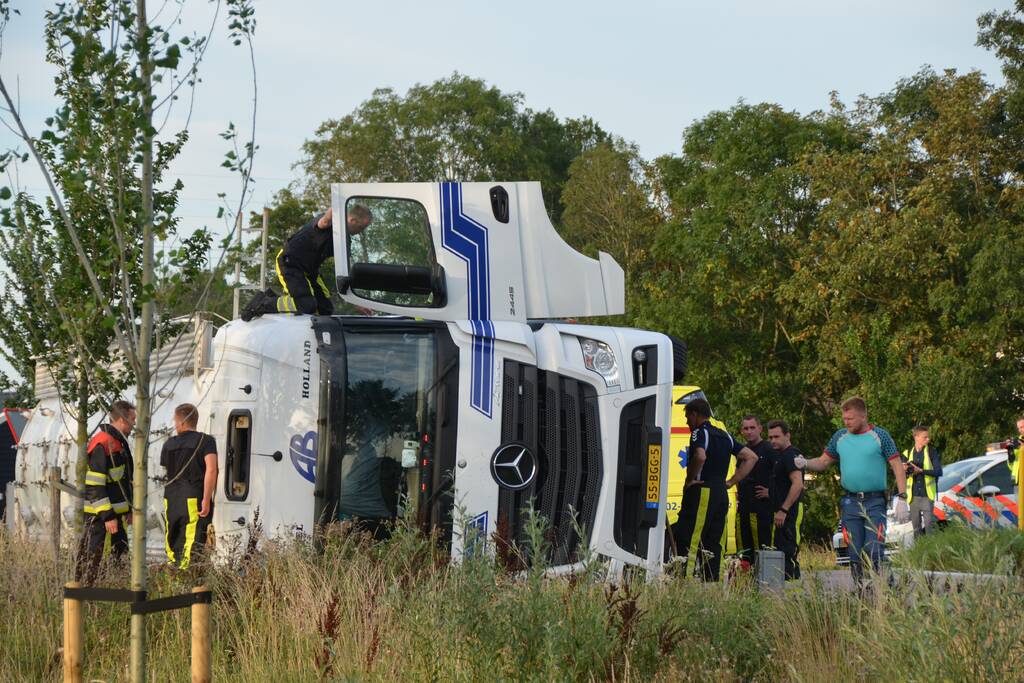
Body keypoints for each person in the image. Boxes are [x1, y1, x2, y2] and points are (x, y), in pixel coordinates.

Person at [795, 396, 908, 585]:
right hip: (850, 502)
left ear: (863, 416)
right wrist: (805, 462)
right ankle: (861, 591)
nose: (846, 422)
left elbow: (897, 465)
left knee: (874, 549)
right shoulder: (840, 437)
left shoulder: (880, 436)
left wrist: (902, 497)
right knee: (854, 552)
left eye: (850, 419)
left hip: (874, 501)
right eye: (844, 419)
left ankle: (888, 588)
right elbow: (823, 462)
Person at [671, 398, 757, 581]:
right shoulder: (725, 435)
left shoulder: (699, 432)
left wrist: (690, 479)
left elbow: (700, 456)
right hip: (721, 492)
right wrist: (731, 482)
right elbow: (751, 457)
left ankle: (683, 581)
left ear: (695, 415)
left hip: (703, 490)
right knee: (715, 540)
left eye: (688, 418)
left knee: (691, 537)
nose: (687, 423)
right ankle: (712, 582)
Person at [241, 204, 372, 320]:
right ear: (352, 220)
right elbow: (325, 221)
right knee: (306, 305)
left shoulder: (345, 241)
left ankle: (272, 297)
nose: (361, 232)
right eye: (362, 227)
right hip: (290, 263)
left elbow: (345, 271)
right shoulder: (328, 224)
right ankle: (263, 304)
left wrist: (355, 300)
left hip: (310, 271)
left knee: (325, 309)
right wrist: (337, 205)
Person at [76, 400, 136, 584]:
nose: (134, 423)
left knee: (120, 556)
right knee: (91, 559)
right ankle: (84, 593)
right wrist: (108, 515)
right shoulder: (103, 443)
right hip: (100, 517)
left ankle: (112, 590)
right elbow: (95, 485)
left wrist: (128, 509)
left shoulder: (118, 442)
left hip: (113, 515)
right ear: (122, 420)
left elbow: (121, 480)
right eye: (132, 419)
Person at [160, 403, 219, 569]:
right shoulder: (206, 441)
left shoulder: (168, 444)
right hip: (192, 496)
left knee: (172, 536)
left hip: (171, 497)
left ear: (182, 422)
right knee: (192, 539)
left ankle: (173, 573)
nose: (175, 424)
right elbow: (211, 469)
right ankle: (186, 575)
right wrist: (206, 499)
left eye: (175, 421)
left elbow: (165, 470)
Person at [765, 420, 804, 580]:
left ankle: (792, 588)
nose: (773, 440)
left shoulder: (791, 455)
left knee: (789, 552)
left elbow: (798, 484)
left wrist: (783, 509)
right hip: (782, 511)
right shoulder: (780, 456)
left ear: (787, 436)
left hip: (790, 511)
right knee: (780, 551)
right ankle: (782, 588)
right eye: (770, 437)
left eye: (777, 436)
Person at [736, 415, 774, 570]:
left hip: (762, 510)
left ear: (760, 428)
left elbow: (782, 475)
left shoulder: (769, 449)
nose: (749, 431)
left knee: (762, 548)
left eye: (752, 427)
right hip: (743, 509)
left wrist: (771, 492)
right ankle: (746, 581)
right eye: (745, 428)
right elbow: (738, 474)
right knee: (744, 551)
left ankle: (764, 578)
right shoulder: (742, 452)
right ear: (741, 431)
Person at [901, 425, 942, 537]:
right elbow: (902, 474)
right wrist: (905, 469)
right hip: (913, 496)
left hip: (927, 496)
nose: (928, 439)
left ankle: (931, 548)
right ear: (916, 437)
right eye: (925, 437)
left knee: (929, 529)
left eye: (928, 437)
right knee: (916, 530)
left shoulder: (931, 452)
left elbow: (939, 472)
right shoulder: (907, 453)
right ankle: (919, 548)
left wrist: (921, 471)